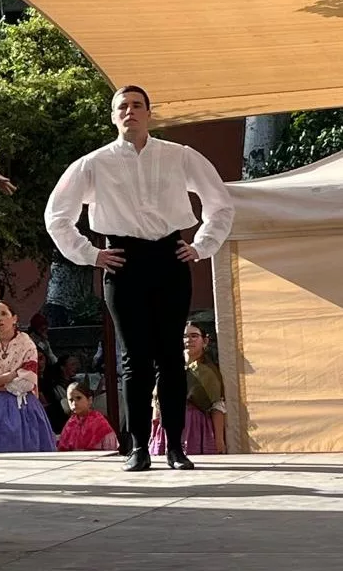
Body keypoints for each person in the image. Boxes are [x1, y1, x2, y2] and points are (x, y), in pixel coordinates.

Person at [45, 84, 234, 472]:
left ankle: (176, 448)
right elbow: (57, 216)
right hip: (122, 261)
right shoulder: (93, 163)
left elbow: (220, 203)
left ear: (149, 113)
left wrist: (202, 245)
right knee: (135, 359)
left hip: (169, 257)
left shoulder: (180, 156)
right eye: (122, 107)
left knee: (170, 356)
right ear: (113, 117)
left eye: (136, 105)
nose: (129, 111)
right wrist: (91, 254)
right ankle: (138, 448)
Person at [0, 302, 58, 453]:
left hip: (22, 407)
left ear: (14, 318)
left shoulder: (26, 344)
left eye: (4, 314)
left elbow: (26, 383)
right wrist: (9, 376)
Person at [149, 321, 226, 456]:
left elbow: (217, 407)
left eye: (194, 336)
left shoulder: (209, 372)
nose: (188, 340)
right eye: (184, 336)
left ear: (205, 341)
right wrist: (153, 433)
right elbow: (157, 402)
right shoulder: (169, 369)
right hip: (167, 425)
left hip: (195, 427)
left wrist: (219, 440)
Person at [57, 382, 119, 452]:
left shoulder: (98, 421)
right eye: (71, 400)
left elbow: (110, 449)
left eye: (78, 398)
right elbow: (62, 448)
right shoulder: (70, 424)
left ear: (89, 400)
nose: (74, 403)